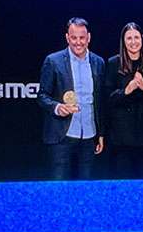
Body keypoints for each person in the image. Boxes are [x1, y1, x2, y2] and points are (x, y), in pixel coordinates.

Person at [37, 17, 105, 180]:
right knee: (59, 187)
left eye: (82, 37)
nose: (78, 42)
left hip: (89, 135)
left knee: (86, 187)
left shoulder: (99, 62)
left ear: (89, 37)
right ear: (67, 38)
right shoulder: (53, 61)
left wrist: (101, 133)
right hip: (61, 136)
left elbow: (100, 101)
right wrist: (57, 107)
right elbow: (42, 96)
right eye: (74, 38)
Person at [105, 22, 143, 178]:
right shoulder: (113, 64)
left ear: (142, 39)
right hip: (121, 138)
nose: (133, 42)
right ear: (123, 41)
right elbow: (108, 99)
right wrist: (126, 90)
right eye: (129, 38)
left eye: (136, 37)